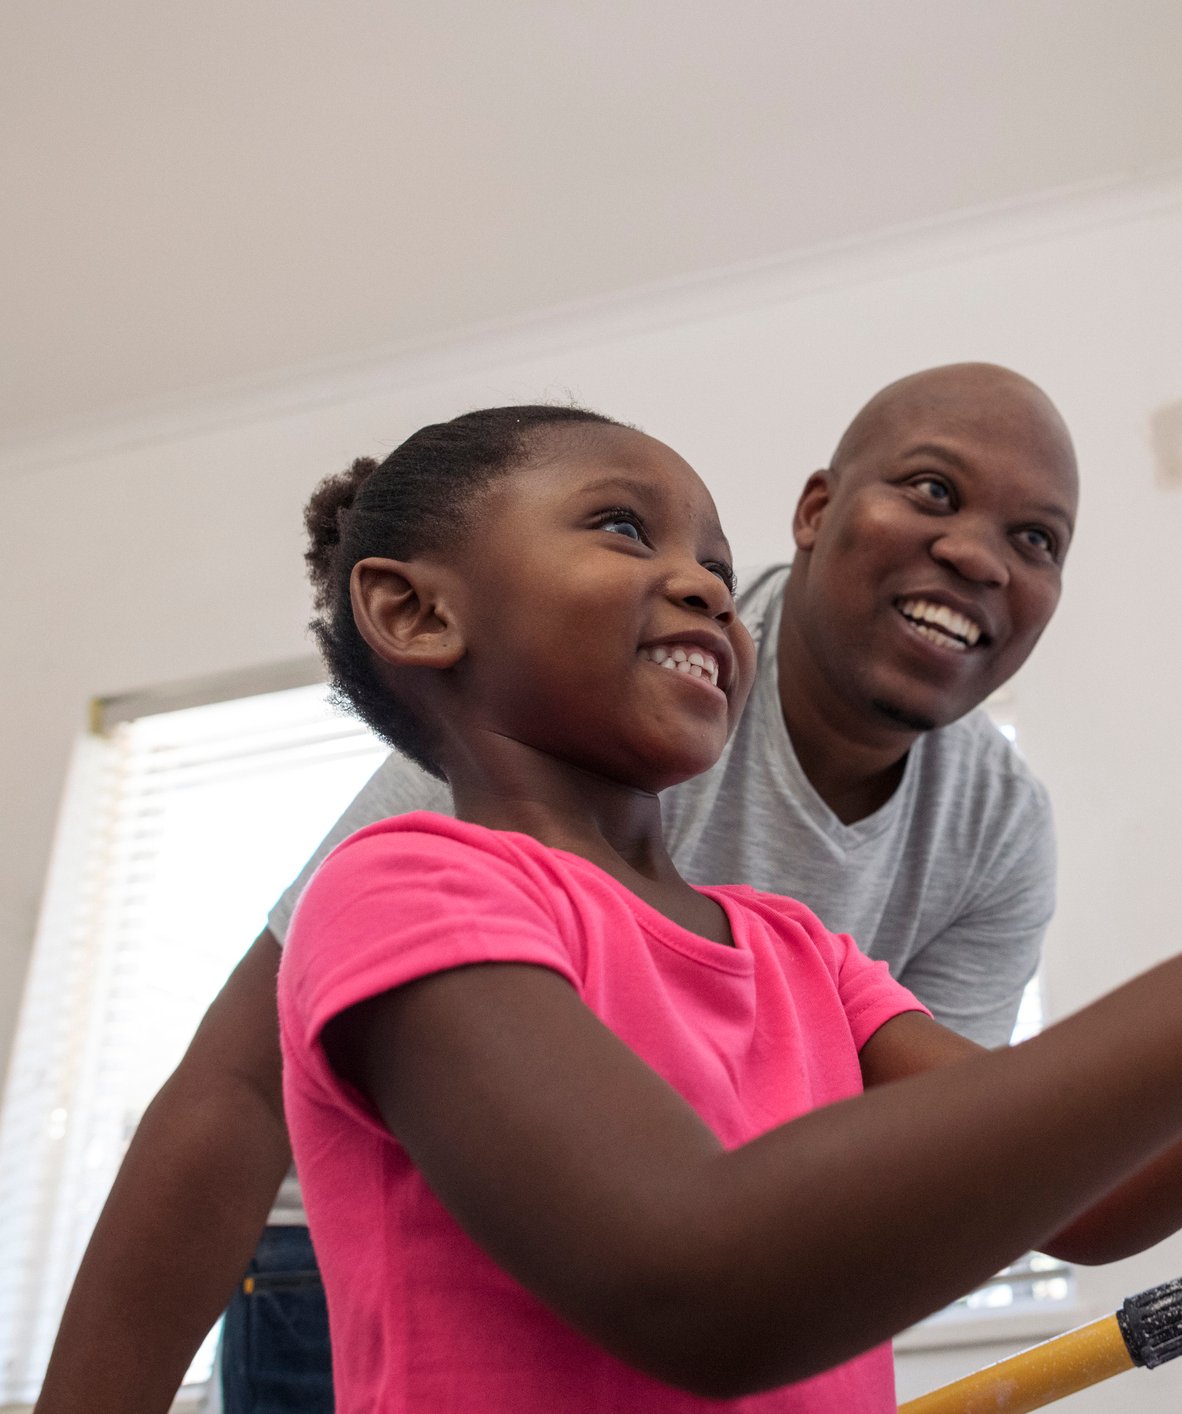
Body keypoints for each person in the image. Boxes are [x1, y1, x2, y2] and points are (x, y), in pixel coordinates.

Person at [281, 404, 1182, 1409]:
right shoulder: (408, 889)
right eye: (626, 528)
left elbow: (1091, 1189)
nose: (705, 576)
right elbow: (696, 1280)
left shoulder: (799, 949)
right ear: (413, 612)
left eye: (711, 546)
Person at [33, 365, 1082, 1413]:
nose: (976, 554)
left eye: (1037, 538)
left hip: (707, 1246)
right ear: (818, 510)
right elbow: (240, 1087)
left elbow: (956, 1152)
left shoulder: (980, 835)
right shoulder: (564, 693)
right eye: (934, 491)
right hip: (386, 1235)